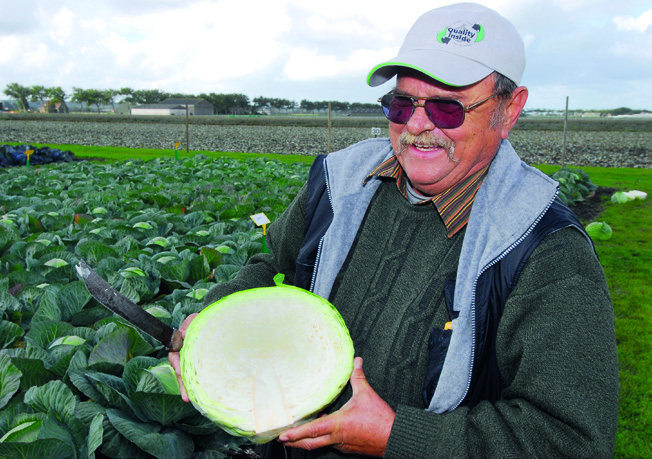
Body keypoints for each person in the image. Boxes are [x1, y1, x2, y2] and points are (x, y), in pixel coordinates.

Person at [170, 3, 619, 458]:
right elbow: (270, 265)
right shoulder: (339, 182)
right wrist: (212, 329)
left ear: (509, 111)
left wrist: (395, 436)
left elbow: (570, 440)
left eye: (447, 109)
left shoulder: (546, 252)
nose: (418, 126)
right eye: (401, 104)